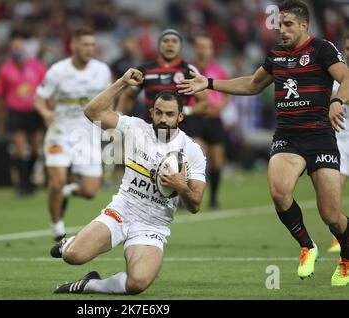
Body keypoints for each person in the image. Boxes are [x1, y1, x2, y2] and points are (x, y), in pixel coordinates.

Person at [177, 0, 349, 286]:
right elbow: (253, 85)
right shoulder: (277, 55)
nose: (282, 30)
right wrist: (208, 83)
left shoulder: (322, 49)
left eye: (288, 24)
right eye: (280, 24)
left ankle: (346, 257)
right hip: (287, 137)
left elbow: (346, 77)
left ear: (304, 25)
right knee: (279, 192)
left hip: (320, 136)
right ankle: (307, 245)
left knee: (331, 214)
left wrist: (337, 100)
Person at [50, 68, 206, 295]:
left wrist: (180, 186)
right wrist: (122, 82)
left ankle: (90, 284)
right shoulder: (135, 128)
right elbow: (92, 111)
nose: (163, 119)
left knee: (137, 284)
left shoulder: (193, 151)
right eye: (159, 113)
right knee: (73, 256)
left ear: (180, 117)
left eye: (170, 115)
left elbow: (196, 205)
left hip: (153, 226)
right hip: (122, 211)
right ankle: (69, 245)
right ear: (151, 113)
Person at [34, 28, 112, 242]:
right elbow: (39, 98)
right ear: (73, 45)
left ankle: (67, 192)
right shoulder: (58, 70)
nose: (89, 49)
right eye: (85, 44)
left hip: (88, 135)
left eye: (92, 45)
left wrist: (111, 125)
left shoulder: (102, 70)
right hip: (60, 133)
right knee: (56, 181)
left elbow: (108, 100)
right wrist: (45, 112)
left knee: (90, 191)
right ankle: (57, 228)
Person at [116, 28, 208, 122]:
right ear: (159, 45)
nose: (170, 44)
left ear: (180, 46)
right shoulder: (144, 70)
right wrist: (119, 116)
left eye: (174, 41)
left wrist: (186, 111)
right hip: (149, 128)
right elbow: (128, 96)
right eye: (165, 41)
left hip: (179, 130)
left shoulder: (189, 71)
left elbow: (204, 102)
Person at [0, 34, 47, 196]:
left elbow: (47, 90)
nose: (17, 51)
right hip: (16, 112)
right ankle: (23, 185)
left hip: (34, 112)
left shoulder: (37, 67)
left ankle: (29, 179)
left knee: (36, 149)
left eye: (20, 48)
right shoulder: (4, 70)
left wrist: (47, 112)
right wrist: (1, 120)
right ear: (10, 51)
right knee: (20, 148)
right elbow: (0, 98)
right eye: (14, 49)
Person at [185, 36, 231, 209]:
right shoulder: (188, 69)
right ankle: (188, 196)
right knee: (198, 156)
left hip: (214, 119)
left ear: (212, 50)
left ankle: (213, 198)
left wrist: (221, 106)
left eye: (208, 47)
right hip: (195, 118)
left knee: (217, 161)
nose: (204, 50)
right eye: (201, 47)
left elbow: (226, 93)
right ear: (195, 49)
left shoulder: (217, 70)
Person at [328, 34, 349, 254]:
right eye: (347, 48)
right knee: (334, 192)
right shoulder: (337, 75)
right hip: (341, 138)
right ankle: (341, 234)